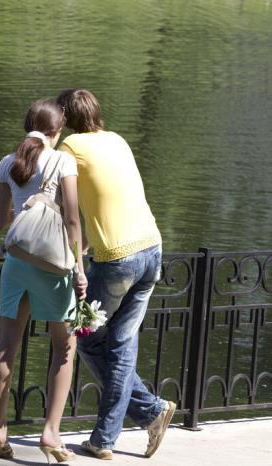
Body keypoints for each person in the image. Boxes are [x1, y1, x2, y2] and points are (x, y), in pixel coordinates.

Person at [56, 88, 176, 460]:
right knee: (121, 344)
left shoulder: (69, 149)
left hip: (117, 259)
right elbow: (107, 195)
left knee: (88, 338)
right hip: (151, 247)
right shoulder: (117, 139)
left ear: (64, 117)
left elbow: (66, 207)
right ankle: (112, 435)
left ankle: (146, 412)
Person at [0, 99, 87, 463]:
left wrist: (25, 217)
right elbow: (73, 221)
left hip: (15, 263)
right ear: (57, 130)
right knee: (63, 347)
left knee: (5, 346)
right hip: (53, 267)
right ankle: (50, 433)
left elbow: (2, 221)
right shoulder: (63, 160)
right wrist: (79, 267)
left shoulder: (7, 162)